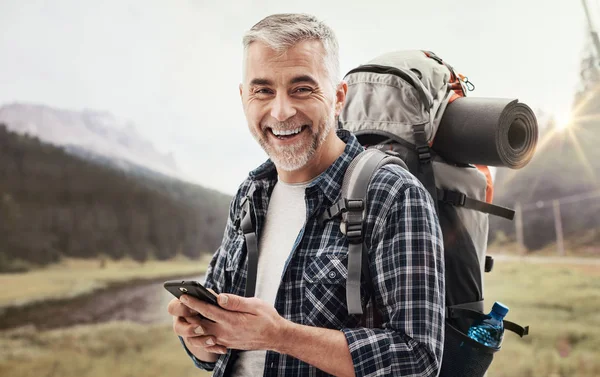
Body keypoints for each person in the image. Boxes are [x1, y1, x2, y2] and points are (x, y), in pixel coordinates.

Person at [167, 13, 445, 377]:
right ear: (243, 98)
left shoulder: (393, 195)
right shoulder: (251, 194)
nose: (281, 111)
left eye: (301, 88)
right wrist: (198, 340)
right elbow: (223, 346)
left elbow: (418, 358)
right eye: (263, 90)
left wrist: (281, 336)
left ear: (337, 98)